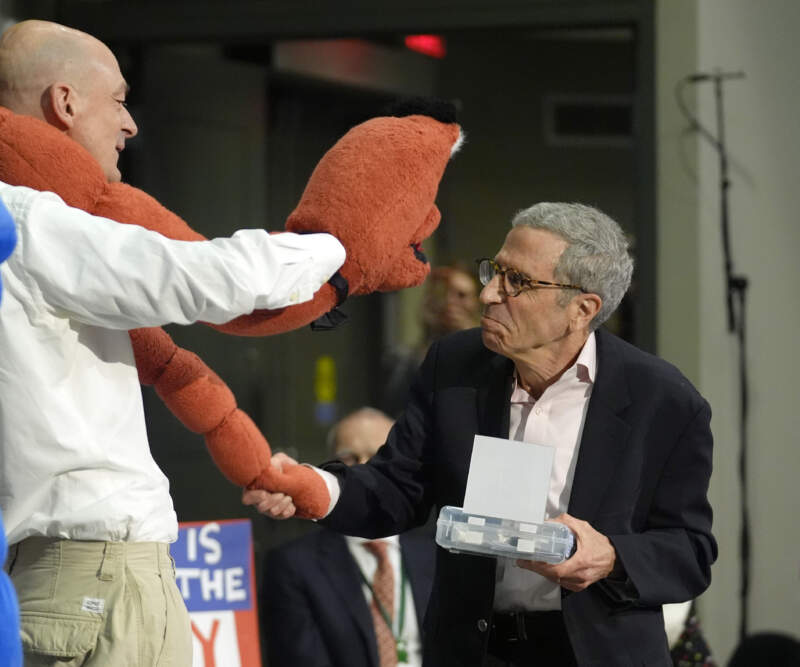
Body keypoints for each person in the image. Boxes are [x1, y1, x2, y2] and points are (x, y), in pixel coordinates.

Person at [0, 19, 347, 667]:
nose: (130, 124)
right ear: (64, 102)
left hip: (15, 578)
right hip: (94, 577)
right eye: (118, 100)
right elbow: (211, 277)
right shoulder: (30, 221)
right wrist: (342, 247)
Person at [245, 202, 717, 666]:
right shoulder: (454, 365)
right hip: (475, 647)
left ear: (581, 309)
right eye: (495, 271)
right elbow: (396, 487)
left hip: (596, 650)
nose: (489, 293)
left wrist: (610, 555)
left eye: (518, 282)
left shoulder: (663, 401)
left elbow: (690, 552)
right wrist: (315, 487)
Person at [261, 408, 435, 667]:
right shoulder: (294, 566)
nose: (364, 467)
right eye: (348, 458)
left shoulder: (437, 554)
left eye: (379, 458)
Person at [379, 265, 481, 416]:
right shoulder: (405, 359)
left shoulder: (488, 350)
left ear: (476, 302)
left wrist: (468, 334)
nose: (450, 301)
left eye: (461, 295)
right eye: (444, 293)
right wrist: (430, 324)